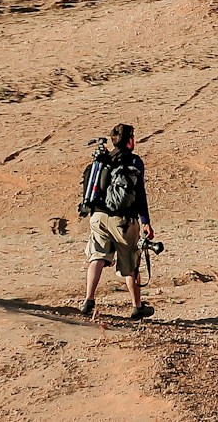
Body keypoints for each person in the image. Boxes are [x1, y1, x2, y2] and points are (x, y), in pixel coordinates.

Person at [79, 122, 154, 319]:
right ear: (130, 141)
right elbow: (139, 194)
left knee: (97, 256)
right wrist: (145, 221)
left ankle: (88, 300)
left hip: (97, 217)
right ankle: (137, 306)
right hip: (122, 221)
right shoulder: (134, 162)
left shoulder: (103, 160)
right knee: (131, 264)